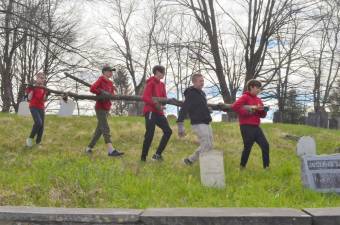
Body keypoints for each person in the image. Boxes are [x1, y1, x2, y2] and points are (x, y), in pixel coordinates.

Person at [85, 65, 124, 157]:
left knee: (99, 130)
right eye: (109, 71)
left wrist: (114, 93)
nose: (111, 73)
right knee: (105, 128)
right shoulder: (101, 80)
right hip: (100, 108)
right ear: (104, 72)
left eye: (112, 71)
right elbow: (92, 88)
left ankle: (89, 148)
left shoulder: (110, 83)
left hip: (107, 108)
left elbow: (112, 96)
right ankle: (111, 150)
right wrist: (101, 92)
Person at [231, 79, 270, 169]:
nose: (259, 90)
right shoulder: (245, 97)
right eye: (257, 88)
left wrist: (263, 111)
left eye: (260, 89)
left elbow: (262, 116)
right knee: (248, 147)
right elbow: (235, 107)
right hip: (246, 126)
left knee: (265, 145)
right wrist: (248, 111)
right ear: (251, 87)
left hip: (256, 127)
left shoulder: (258, 99)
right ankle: (242, 166)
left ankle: (266, 167)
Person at [177, 73, 213, 165]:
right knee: (206, 144)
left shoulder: (202, 93)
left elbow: (199, 106)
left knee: (210, 145)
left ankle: (193, 161)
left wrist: (207, 109)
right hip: (198, 123)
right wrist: (180, 125)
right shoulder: (191, 93)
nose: (202, 83)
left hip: (206, 122)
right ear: (194, 82)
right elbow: (184, 108)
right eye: (200, 81)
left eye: (203, 81)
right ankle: (191, 161)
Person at [141, 65, 172, 162]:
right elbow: (145, 97)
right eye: (163, 72)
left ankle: (157, 154)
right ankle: (143, 158)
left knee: (168, 131)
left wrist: (163, 104)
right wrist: (156, 105)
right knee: (150, 133)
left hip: (159, 113)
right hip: (150, 111)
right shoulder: (150, 83)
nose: (164, 74)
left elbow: (164, 98)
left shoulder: (162, 85)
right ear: (157, 72)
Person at [25, 72, 49, 148]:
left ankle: (38, 142)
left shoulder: (44, 88)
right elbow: (29, 98)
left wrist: (47, 94)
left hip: (41, 108)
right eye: (40, 78)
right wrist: (32, 90)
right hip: (33, 107)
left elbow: (44, 99)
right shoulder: (31, 87)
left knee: (41, 126)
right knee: (38, 122)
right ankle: (30, 138)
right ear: (37, 78)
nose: (42, 79)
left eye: (43, 78)